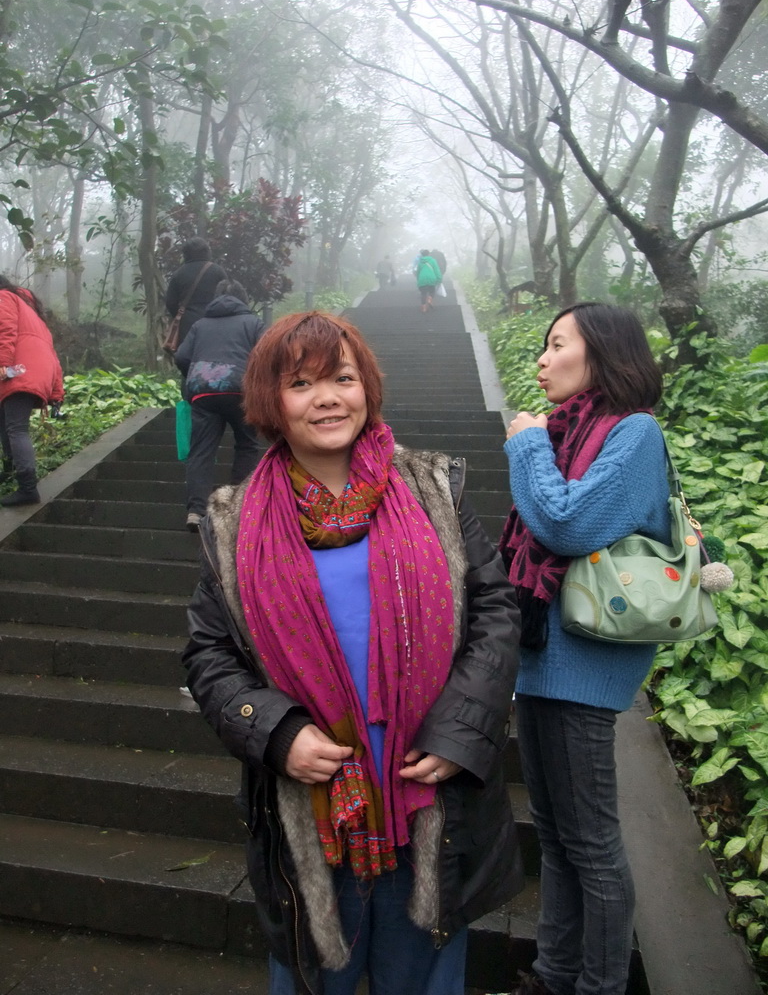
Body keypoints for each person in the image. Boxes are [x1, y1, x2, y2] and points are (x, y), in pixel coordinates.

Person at [182, 311, 523, 995]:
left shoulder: (434, 491)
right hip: (311, 806)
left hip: (428, 795)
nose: (328, 397)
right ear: (271, 401)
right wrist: (275, 731)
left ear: (367, 385)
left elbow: (496, 610)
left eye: (342, 377)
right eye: (302, 383)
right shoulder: (234, 523)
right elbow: (209, 654)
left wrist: (460, 729)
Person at [499, 302, 669, 995]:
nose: (541, 358)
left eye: (556, 344)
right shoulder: (569, 433)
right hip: (542, 653)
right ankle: (553, 974)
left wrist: (526, 445)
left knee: (592, 846)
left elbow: (567, 523)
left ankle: (597, 988)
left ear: (599, 353)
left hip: (587, 661)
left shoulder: (634, 434)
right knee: (559, 839)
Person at [173, 279, 264, 532]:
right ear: (243, 298)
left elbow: (181, 356)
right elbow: (268, 354)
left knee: (200, 450)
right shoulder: (253, 323)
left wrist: (198, 374)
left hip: (203, 393)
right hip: (241, 391)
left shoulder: (200, 324)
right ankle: (235, 507)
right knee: (246, 445)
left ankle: (196, 510)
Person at [0, 277, 64, 507]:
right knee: (6, 422)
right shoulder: (34, 314)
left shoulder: (4, 298)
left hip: (18, 369)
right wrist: (57, 392)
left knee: (16, 427)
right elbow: (52, 356)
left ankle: (27, 488)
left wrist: (4, 366)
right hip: (36, 371)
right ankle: (10, 470)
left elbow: (4, 332)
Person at [164, 237, 227, 349]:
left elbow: (170, 302)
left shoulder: (179, 274)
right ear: (207, 252)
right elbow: (226, 298)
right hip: (213, 324)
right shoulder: (218, 271)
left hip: (187, 326)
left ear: (185, 254)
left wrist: (182, 315)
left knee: (188, 359)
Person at [414, 249, 442, 313]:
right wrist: (439, 279)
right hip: (431, 278)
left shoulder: (420, 262)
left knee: (423, 294)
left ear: (422, 254)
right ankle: (430, 298)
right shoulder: (433, 260)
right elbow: (436, 270)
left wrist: (418, 280)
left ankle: (424, 308)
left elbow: (418, 272)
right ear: (429, 254)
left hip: (422, 279)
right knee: (432, 291)